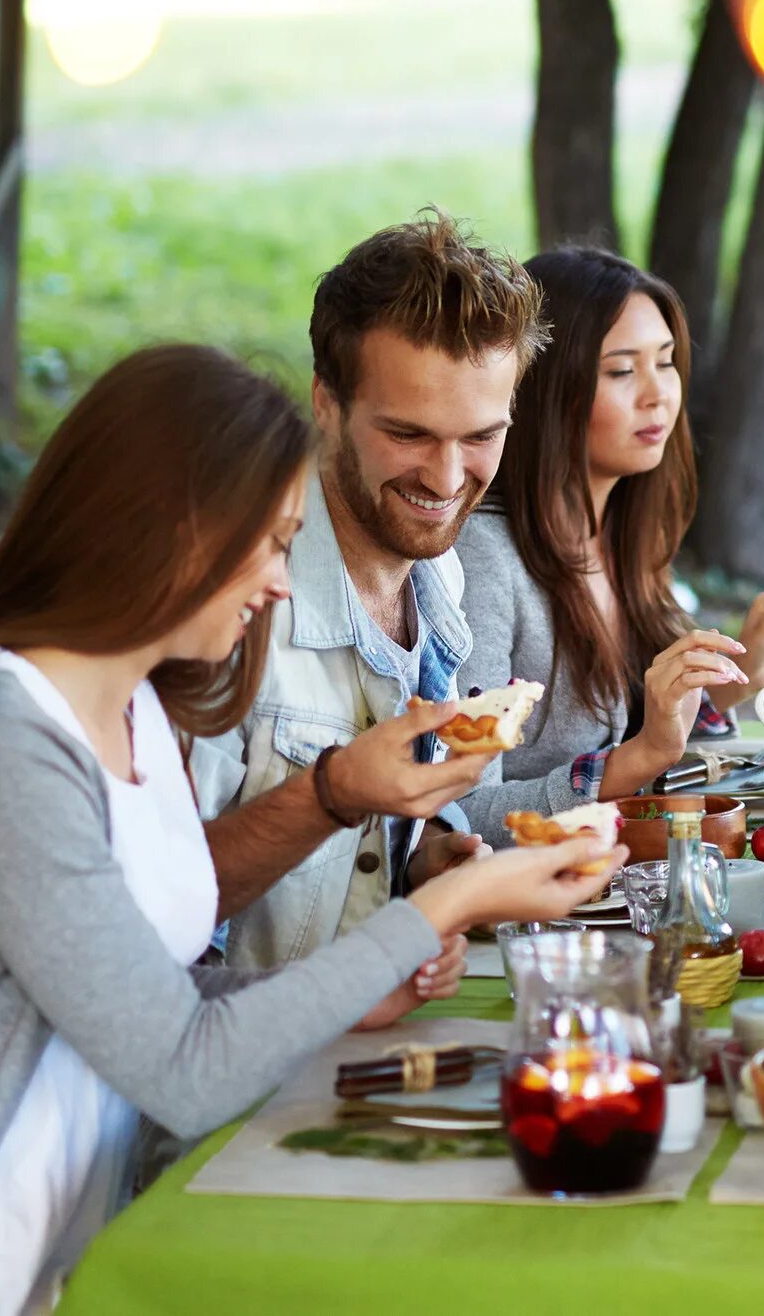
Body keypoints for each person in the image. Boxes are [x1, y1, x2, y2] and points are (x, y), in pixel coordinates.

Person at [0, 346, 610, 1316]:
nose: (282, 584)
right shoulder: (0, 746)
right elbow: (184, 1069)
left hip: (66, 1263)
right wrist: (449, 905)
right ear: (171, 530)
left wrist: (338, 992)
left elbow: (138, 984)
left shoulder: (134, 713)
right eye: (272, 543)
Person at [194, 214, 548, 980]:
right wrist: (331, 797)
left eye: (481, 437)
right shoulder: (232, 603)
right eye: (410, 435)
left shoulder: (439, 573)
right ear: (326, 403)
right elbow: (154, 908)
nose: (449, 480)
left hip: (359, 1036)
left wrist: (422, 855)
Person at [450, 248, 764, 838]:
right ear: (548, 386)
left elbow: (645, 739)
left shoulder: (629, 535)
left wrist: (739, 683)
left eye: (667, 362)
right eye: (622, 371)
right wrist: (641, 758)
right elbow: (460, 820)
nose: (658, 394)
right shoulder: (485, 561)